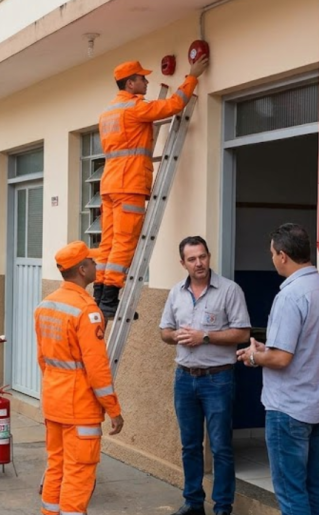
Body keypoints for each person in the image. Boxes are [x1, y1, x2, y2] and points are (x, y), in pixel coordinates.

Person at [237, 224, 319, 515]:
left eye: (272, 254)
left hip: (289, 409)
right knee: (313, 484)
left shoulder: (290, 296)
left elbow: (282, 358)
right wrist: (267, 349)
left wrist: (254, 356)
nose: (272, 259)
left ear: (283, 256)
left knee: (290, 491)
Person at [95, 55, 210, 318]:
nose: (146, 81)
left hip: (110, 183)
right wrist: (192, 75)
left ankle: (101, 296)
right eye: (142, 78)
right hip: (130, 182)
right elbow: (173, 105)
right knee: (125, 241)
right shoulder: (134, 108)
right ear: (130, 83)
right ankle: (111, 299)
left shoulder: (107, 113)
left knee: (109, 242)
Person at [160, 236, 251, 515]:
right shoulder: (176, 292)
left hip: (218, 378)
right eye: (192, 259)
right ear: (183, 263)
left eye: (202, 257)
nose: (199, 263)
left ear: (209, 256)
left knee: (222, 446)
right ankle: (193, 501)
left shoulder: (229, 290)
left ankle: (223, 508)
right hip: (185, 378)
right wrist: (176, 337)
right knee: (189, 445)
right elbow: (164, 331)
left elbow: (242, 333)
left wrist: (206, 337)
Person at [35, 241, 124, 515]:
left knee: (56, 465)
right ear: (83, 269)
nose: (97, 267)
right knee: (79, 471)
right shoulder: (87, 311)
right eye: (93, 263)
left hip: (53, 401)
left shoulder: (46, 305)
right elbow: (98, 370)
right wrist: (114, 410)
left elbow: (43, 359)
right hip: (80, 407)